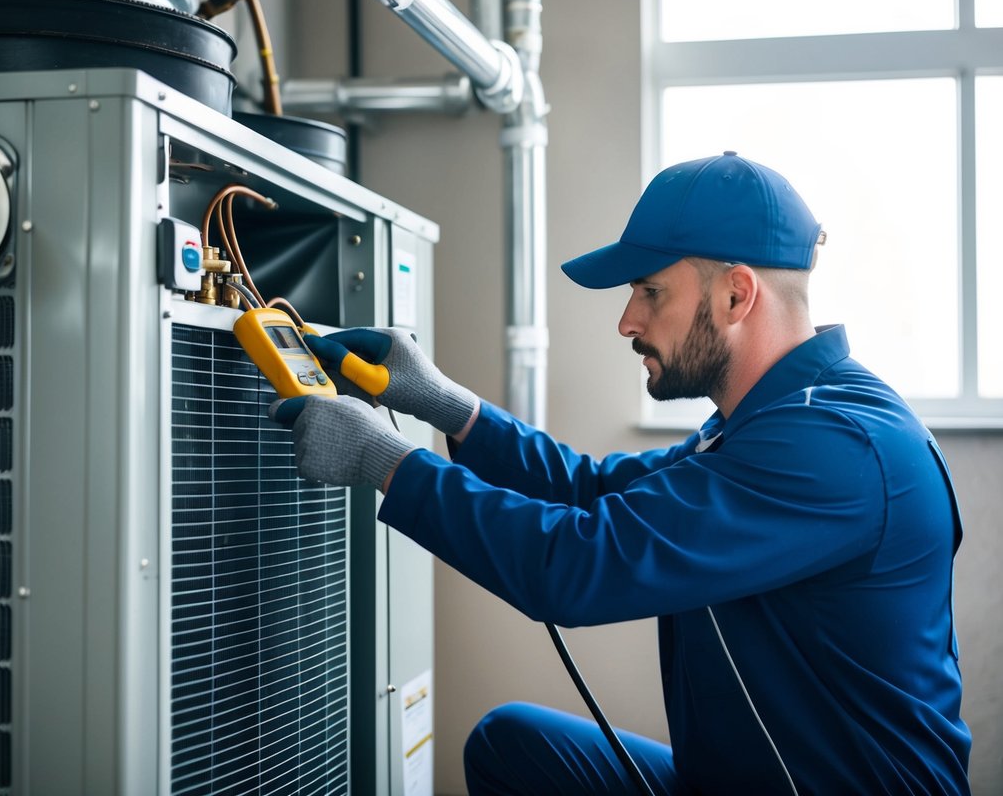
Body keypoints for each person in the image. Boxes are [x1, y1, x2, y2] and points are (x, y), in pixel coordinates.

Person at [271, 152, 972, 794]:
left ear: (735, 295)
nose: (627, 320)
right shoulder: (768, 421)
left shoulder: (834, 447)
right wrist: (451, 408)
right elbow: (595, 490)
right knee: (512, 745)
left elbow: (580, 566)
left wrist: (383, 460)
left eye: (650, 292)